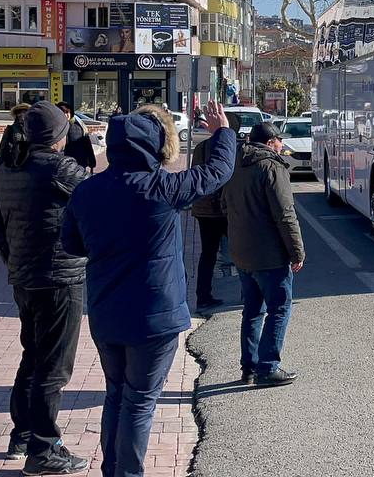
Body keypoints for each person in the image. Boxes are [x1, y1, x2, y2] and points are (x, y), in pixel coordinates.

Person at [61, 101, 235, 477]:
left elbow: (72, 245)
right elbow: (217, 172)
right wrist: (222, 132)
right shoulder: (164, 188)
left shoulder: (86, 193)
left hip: (106, 313)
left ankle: (114, 469)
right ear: (155, 147)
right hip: (155, 317)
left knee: (116, 395)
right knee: (139, 401)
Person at [0, 102, 90, 474]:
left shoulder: (7, 170)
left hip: (24, 278)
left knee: (32, 357)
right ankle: (44, 450)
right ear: (59, 136)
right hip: (60, 279)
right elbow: (95, 200)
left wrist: (14, 260)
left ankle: (24, 434)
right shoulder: (61, 169)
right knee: (54, 367)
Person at [223, 123, 304, 387]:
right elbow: (285, 214)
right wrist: (296, 251)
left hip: (241, 251)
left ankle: (249, 367)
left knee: (252, 310)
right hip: (269, 255)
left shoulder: (236, 165)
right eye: (279, 140)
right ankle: (268, 367)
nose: (282, 145)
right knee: (279, 308)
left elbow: (224, 204)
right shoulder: (271, 167)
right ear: (270, 143)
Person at [190, 114, 227, 311]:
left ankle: (203, 296)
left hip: (203, 210)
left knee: (208, 254)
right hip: (222, 210)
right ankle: (249, 293)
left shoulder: (201, 148)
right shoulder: (228, 150)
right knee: (241, 249)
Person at [56, 102, 96, 171]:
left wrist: (92, 161)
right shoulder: (54, 127)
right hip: (61, 165)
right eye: (62, 112)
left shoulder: (79, 126)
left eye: (67, 112)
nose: (65, 114)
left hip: (79, 164)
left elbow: (87, 144)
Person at [0, 103, 32, 173]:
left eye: (24, 112)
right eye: (19, 113)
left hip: (30, 165)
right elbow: (3, 147)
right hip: (14, 164)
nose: (21, 115)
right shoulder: (11, 129)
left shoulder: (33, 129)